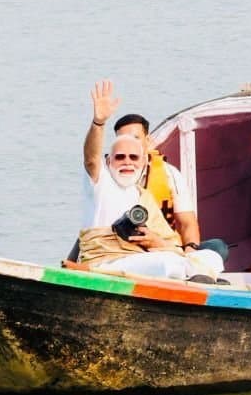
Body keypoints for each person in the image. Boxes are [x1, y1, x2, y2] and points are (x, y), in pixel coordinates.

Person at [80, 80, 224, 280]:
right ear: (109, 160)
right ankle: (199, 278)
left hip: (143, 257)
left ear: (144, 158)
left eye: (133, 157)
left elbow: (179, 232)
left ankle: (201, 279)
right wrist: (98, 122)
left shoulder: (144, 194)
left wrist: (159, 242)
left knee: (212, 256)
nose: (127, 163)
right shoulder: (100, 182)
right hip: (108, 261)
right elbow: (91, 159)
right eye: (120, 157)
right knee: (167, 263)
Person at [112, 112, 229, 262]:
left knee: (218, 248)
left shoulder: (169, 173)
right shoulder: (109, 174)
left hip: (166, 246)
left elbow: (187, 222)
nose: (130, 146)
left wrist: (189, 253)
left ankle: (190, 273)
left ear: (147, 141)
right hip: (125, 248)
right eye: (123, 140)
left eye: (135, 139)